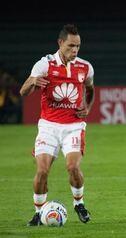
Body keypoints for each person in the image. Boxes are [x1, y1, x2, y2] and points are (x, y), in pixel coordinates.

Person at [20, 24, 94, 226]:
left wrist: (87, 107)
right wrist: (34, 80)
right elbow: (23, 92)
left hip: (73, 126)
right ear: (60, 43)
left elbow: (90, 89)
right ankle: (38, 212)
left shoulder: (85, 67)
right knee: (42, 171)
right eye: (71, 46)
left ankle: (79, 203)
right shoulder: (44, 65)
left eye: (78, 46)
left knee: (72, 167)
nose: (75, 50)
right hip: (49, 126)